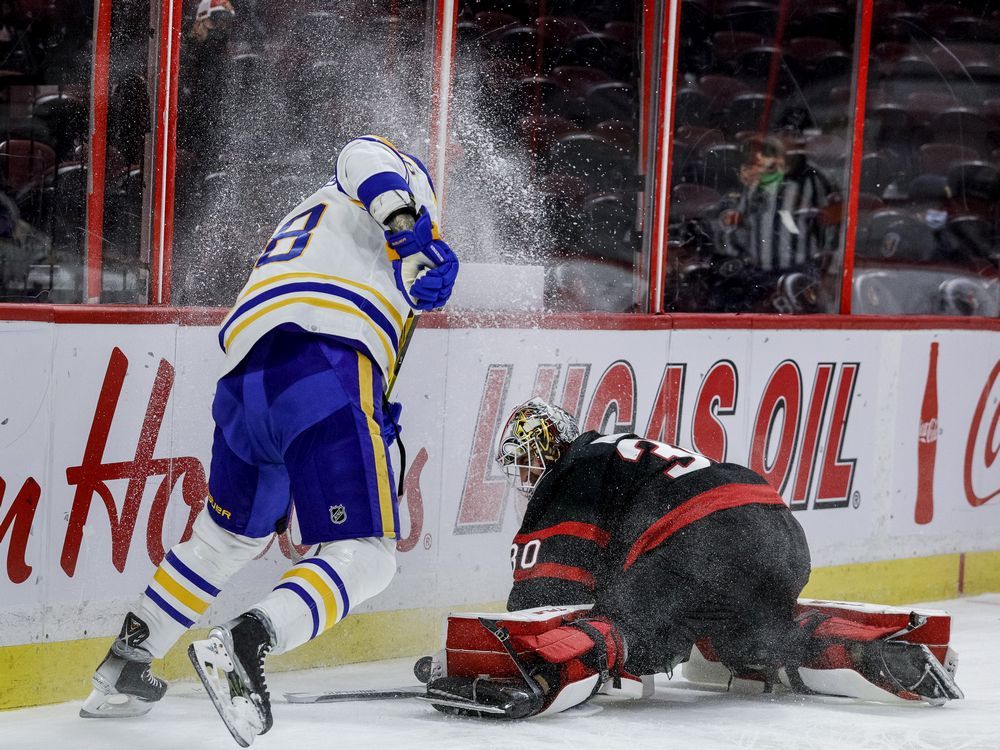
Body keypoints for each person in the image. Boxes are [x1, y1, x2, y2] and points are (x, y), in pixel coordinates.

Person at [81, 135, 459, 746]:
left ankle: (127, 663)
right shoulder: (391, 190)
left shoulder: (325, 225)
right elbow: (362, 154)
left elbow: (390, 273)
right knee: (368, 554)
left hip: (246, 383)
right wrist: (411, 225)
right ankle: (248, 637)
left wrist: (420, 282)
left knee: (225, 538)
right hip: (324, 368)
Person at [423, 398, 963, 718]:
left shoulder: (576, 466)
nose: (526, 478)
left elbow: (551, 590)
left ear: (554, 449)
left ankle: (534, 673)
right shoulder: (626, 455)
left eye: (528, 462)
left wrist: (516, 640)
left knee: (622, 626)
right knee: (752, 638)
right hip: (775, 526)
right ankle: (876, 650)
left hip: (701, 537)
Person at [712, 136, 835, 312]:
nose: (764, 161)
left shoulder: (812, 181)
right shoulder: (753, 186)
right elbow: (742, 220)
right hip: (760, 272)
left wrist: (825, 269)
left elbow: (831, 221)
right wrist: (732, 222)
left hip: (797, 269)